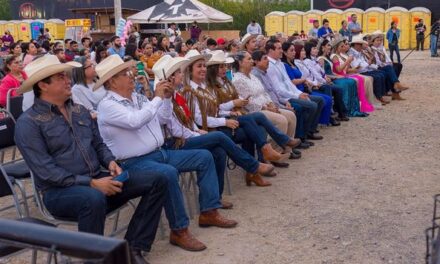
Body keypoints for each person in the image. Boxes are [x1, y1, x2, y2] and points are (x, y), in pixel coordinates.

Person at [14, 55, 167, 264]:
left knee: (158, 179)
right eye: (61, 77)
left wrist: (111, 162)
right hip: (59, 193)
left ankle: (133, 248)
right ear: (43, 85)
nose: (69, 80)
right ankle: (94, 259)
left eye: (67, 76)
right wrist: (92, 183)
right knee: (92, 199)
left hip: (98, 179)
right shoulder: (29, 123)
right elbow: (46, 171)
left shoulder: (79, 111)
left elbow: (98, 145)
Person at [95, 54, 237, 252]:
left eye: (129, 71)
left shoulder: (137, 97)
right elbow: (134, 121)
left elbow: (160, 119)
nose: (131, 75)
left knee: (204, 156)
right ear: (112, 81)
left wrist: (167, 100)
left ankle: (209, 211)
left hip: (158, 153)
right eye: (125, 73)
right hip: (132, 163)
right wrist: (158, 98)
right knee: (168, 172)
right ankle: (179, 230)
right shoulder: (107, 105)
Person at [152, 55, 276, 200]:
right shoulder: (180, 94)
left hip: (195, 132)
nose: (181, 74)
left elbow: (189, 119)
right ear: (170, 78)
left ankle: (216, 197)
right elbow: (179, 126)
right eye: (178, 72)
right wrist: (200, 131)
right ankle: (254, 165)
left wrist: (199, 128)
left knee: (224, 146)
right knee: (227, 135)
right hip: (183, 140)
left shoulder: (181, 94)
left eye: (205, 66)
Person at [182, 50, 291, 166]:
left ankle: (258, 165)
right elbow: (199, 119)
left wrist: (231, 110)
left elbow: (216, 108)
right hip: (211, 129)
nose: (203, 69)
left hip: (221, 122)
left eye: (204, 66)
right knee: (254, 122)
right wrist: (228, 115)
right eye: (199, 66)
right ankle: (262, 159)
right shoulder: (192, 90)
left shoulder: (209, 86)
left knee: (253, 128)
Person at [231, 51, 301, 165]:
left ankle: (287, 149)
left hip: (266, 106)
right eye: (248, 59)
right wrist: (266, 107)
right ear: (240, 63)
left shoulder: (252, 76)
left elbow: (264, 93)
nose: (252, 61)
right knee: (281, 120)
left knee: (291, 115)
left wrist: (271, 103)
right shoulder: (238, 80)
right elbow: (247, 101)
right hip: (254, 110)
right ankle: (274, 153)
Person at [265, 39, 324, 142]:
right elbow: (278, 89)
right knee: (311, 105)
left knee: (319, 100)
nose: (281, 51)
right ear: (270, 50)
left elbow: (288, 83)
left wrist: (299, 93)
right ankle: (300, 137)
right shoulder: (269, 65)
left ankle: (309, 131)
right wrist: (297, 96)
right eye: (279, 48)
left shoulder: (280, 63)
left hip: (292, 93)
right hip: (284, 97)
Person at [317, 39, 365, 117]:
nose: (330, 47)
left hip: (334, 77)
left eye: (330, 45)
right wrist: (336, 76)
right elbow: (323, 74)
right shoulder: (321, 59)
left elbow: (333, 71)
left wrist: (337, 75)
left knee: (352, 82)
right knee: (348, 83)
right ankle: (345, 109)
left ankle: (351, 108)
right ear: (323, 47)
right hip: (329, 79)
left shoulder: (328, 58)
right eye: (328, 45)